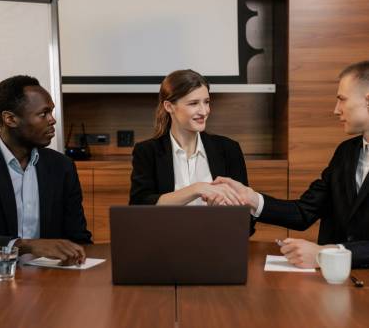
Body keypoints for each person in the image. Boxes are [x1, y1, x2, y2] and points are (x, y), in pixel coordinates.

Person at [215, 60, 369, 268]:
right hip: (337, 283)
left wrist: (325, 253)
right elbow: (304, 212)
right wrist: (251, 198)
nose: (336, 110)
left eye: (342, 99)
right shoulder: (345, 152)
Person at [129, 69, 254, 233]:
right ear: (169, 106)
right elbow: (139, 208)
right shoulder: (147, 151)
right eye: (194, 103)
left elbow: (247, 221)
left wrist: (225, 211)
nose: (204, 111)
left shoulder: (229, 149)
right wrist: (197, 189)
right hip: (163, 247)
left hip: (216, 246)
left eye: (207, 102)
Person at [0, 75, 92, 265]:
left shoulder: (62, 166)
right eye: (44, 114)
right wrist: (26, 245)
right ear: (10, 119)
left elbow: (79, 237)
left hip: (51, 281)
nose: (52, 120)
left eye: (52, 112)